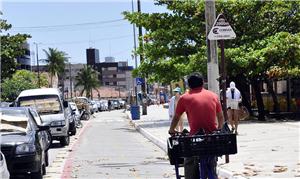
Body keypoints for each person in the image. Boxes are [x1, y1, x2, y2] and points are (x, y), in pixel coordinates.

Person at [169, 72, 224, 179]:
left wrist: (172, 129)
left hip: (195, 138)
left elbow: (176, 117)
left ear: (189, 85)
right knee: (212, 159)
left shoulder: (184, 98)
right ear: (203, 83)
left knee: (189, 161)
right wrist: (219, 129)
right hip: (212, 138)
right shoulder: (213, 96)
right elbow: (221, 117)